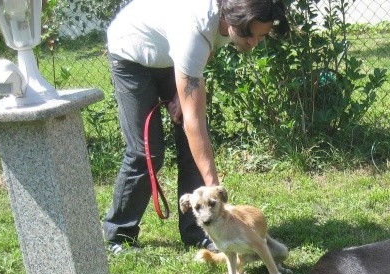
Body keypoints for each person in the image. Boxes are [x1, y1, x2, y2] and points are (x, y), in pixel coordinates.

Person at [103, 0, 289, 254]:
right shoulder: (197, 27)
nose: (255, 42)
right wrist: (214, 189)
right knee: (146, 151)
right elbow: (195, 123)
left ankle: (196, 229)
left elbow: (206, 50)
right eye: (250, 35)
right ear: (232, 21)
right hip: (133, 52)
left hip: (171, 51)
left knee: (192, 149)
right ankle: (119, 235)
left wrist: (182, 95)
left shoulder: (227, 18)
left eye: (262, 36)